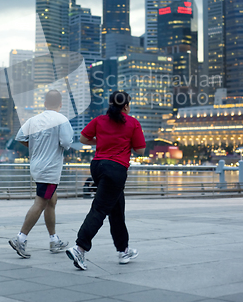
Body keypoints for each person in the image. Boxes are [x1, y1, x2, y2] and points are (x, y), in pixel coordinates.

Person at [66, 90, 146, 270]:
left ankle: (123, 250)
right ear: (126, 106)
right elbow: (140, 150)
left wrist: (101, 141)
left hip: (98, 167)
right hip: (115, 169)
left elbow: (84, 138)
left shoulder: (99, 120)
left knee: (117, 210)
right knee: (100, 209)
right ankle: (80, 247)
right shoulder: (132, 123)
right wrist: (125, 142)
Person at [9, 89, 73, 259]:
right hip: (50, 169)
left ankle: (54, 240)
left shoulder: (33, 120)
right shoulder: (62, 120)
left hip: (37, 166)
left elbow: (20, 137)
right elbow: (66, 143)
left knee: (51, 201)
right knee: (40, 203)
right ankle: (20, 239)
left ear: (45, 104)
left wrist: (35, 147)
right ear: (60, 104)